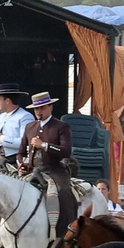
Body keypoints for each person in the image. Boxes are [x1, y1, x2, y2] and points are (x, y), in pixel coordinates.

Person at [17, 91, 76, 237]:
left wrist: (44, 145)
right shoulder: (29, 127)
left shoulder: (61, 126)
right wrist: (20, 165)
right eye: (36, 109)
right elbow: (20, 152)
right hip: (32, 170)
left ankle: (67, 231)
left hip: (54, 170)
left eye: (42, 108)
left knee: (63, 193)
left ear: (50, 107)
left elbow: (66, 151)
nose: (38, 111)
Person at [0, 83, 33, 159]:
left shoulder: (25, 116)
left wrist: (2, 139)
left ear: (7, 101)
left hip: (16, 159)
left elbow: (25, 142)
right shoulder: (1, 117)